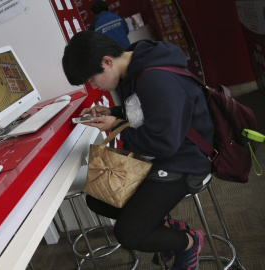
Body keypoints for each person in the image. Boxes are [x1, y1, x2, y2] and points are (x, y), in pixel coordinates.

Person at [62, 30, 214, 269]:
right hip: (164, 156)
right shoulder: (134, 68)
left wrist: (118, 126)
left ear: (107, 61)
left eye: (92, 79)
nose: (94, 86)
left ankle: (188, 242)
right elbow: (150, 112)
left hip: (185, 162)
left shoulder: (155, 78)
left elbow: (164, 142)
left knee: (129, 234)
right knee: (100, 200)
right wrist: (114, 113)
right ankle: (164, 230)